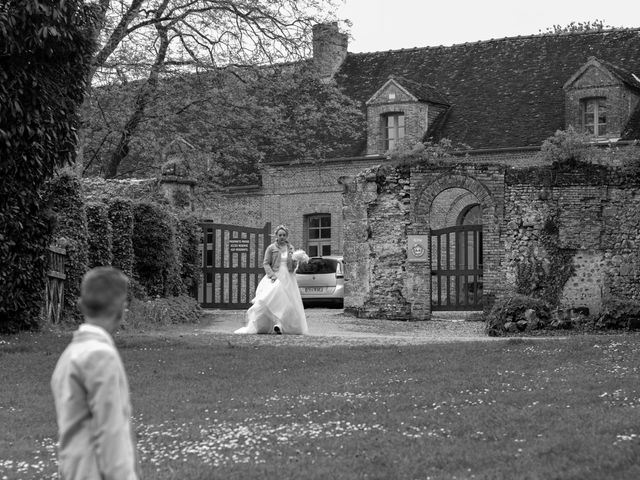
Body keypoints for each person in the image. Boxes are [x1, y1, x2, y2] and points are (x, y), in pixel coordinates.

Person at [51, 267, 139, 480]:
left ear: (81, 305)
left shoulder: (70, 355)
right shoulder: (101, 356)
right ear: (122, 308)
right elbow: (111, 432)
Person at [235, 224, 308, 334]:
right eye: (280, 235)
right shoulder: (271, 248)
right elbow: (266, 263)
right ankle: (270, 324)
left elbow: (292, 267)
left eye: (284, 235)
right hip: (275, 276)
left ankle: (280, 325)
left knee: (288, 302)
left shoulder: (291, 248)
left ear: (287, 236)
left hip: (288, 278)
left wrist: (296, 261)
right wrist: (272, 275)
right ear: (276, 236)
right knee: (270, 299)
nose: (282, 237)